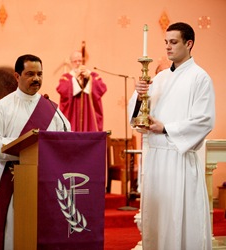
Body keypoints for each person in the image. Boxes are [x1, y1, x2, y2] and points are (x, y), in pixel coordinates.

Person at [128, 22, 215, 249]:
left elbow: (204, 120)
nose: (168, 47)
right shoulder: (159, 78)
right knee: (157, 223)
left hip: (179, 160)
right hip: (156, 161)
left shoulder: (200, 78)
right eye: (166, 42)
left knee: (179, 221)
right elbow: (140, 117)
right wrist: (139, 97)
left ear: (189, 44)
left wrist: (166, 128)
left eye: (173, 42)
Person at [0, 54, 71, 250]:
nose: (36, 79)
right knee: (14, 232)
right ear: (17, 76)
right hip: (14, 178)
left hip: (46, 180)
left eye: (39, 74)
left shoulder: (51, 109)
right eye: (30, 74)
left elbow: (65, 136)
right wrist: (23, 147)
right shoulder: (3, 107)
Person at [56, 50, 107, 132]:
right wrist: (75, 77)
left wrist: (89, 78)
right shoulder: (66, 77)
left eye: (80, 61)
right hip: (72, 114)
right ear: (71, 62)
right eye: (75, 61)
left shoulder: (93, 75)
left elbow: (102, 88)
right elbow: (61, 89)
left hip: (89, 114)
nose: (78, 63)